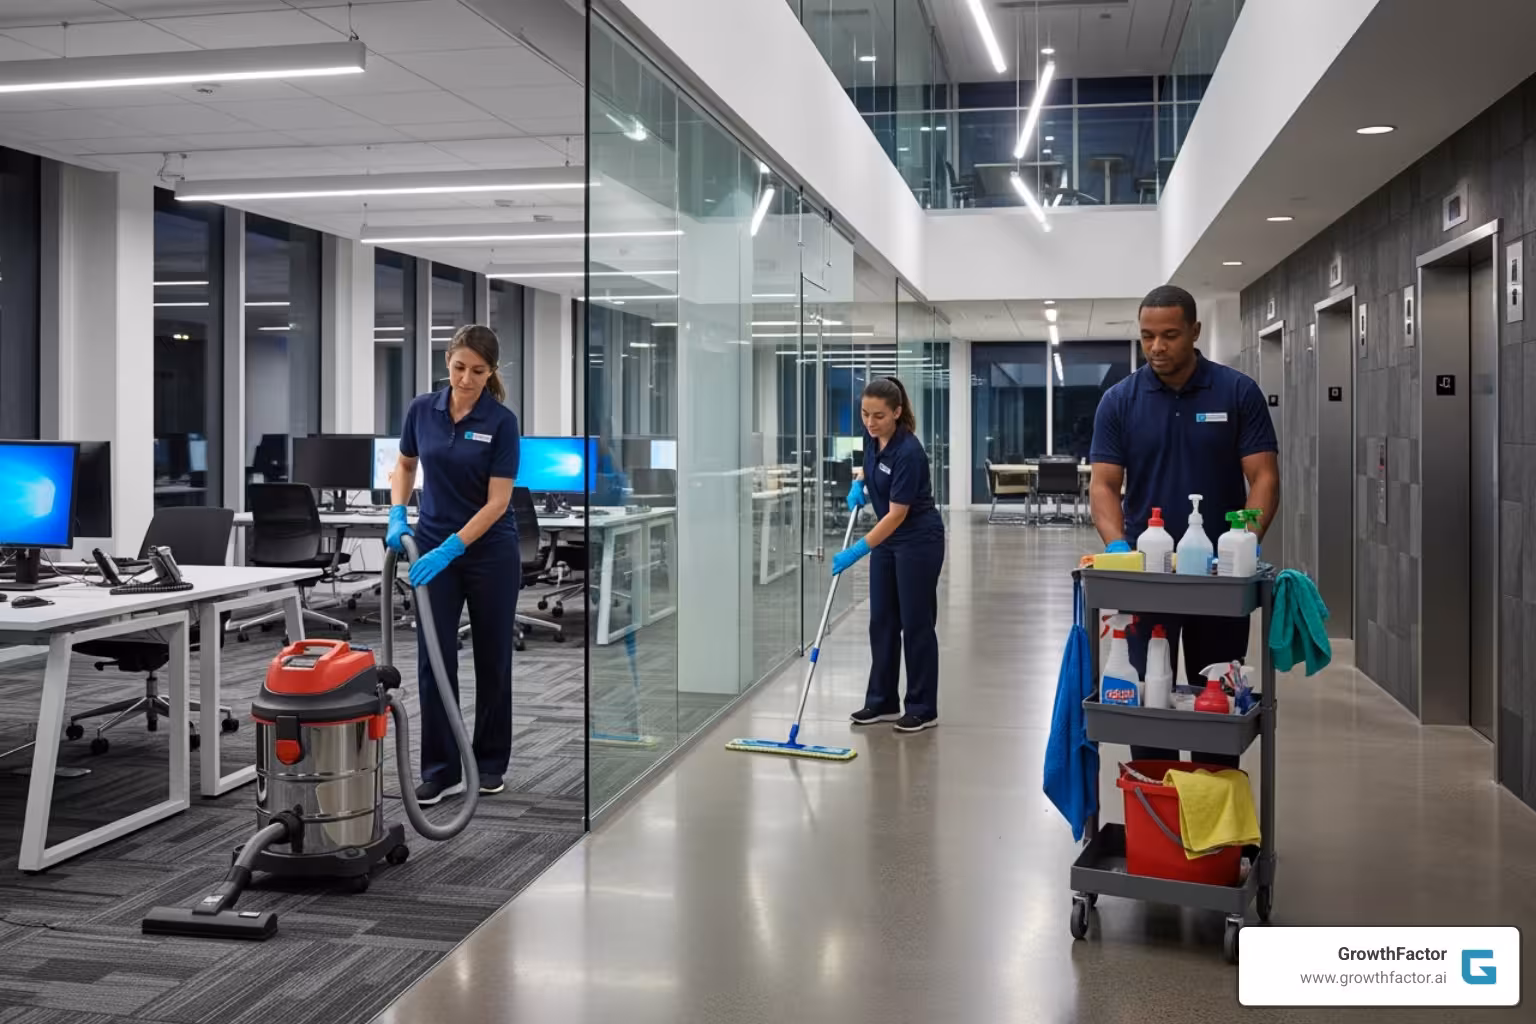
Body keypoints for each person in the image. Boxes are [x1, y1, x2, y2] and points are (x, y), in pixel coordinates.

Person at [1089, 285, 1280, 768]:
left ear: (1195, 332)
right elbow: (1105, 486)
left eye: (1170, 335)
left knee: (1215, 703)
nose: (1157, 347)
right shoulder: (1120, 400)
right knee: (1148, 707)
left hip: (1218, 581)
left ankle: (1211, 826)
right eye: (1148, 336)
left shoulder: (1236, 392)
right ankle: (1161, 822)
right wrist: (1117, 550)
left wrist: (1244, 546)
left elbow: (1263, 477)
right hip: (1147, 576)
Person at [386, 325, 522, 805]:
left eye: (478, 371)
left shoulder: (501, 421)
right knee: (433, 661)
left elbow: (498, 502)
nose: (467, 379)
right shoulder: (422, 409)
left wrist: (452, 546)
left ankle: (488, 764)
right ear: (447, 361)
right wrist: (398, 511)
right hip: (431, 549)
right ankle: (440, 769)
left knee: (492, 659)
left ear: (492, 372)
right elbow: (404, 465)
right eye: (460, 367)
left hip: (488, 553)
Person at [838, 376, 947, 733]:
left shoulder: (909, 452)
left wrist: (858, 549)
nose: (870, 422)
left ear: (897, 413)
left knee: (915, 624)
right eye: (865, 414)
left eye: (879, 416)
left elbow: (898, 513)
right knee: (882, 621)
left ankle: (922, 707)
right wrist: (859, 484)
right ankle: (882, 700)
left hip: (917, 539)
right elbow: (872, 472)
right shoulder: (874, 442)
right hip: (888, 540)